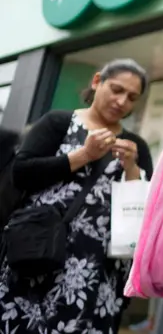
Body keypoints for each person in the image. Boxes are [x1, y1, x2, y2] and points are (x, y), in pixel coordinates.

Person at [0, 59, 154, 333]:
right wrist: (85, 155)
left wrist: (132, 168)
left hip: (98, 268)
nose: (121, 101)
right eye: (116, 90)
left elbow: (143, 210)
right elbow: (21, 173)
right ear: (97, 82)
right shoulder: (58, 122)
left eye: (132, 97)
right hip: (36, 252)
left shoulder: (135, 145)